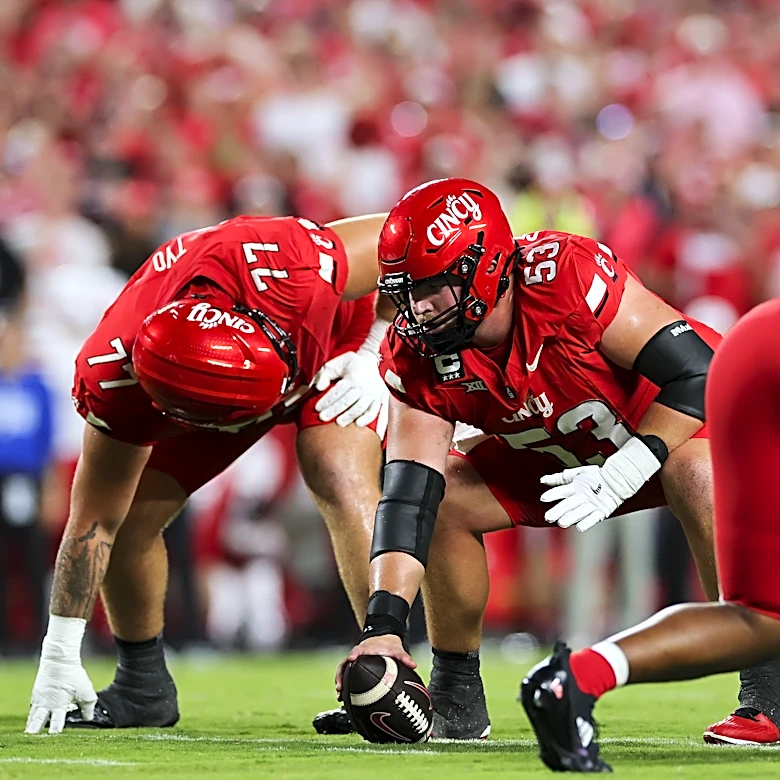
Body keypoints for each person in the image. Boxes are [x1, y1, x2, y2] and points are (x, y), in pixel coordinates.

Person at [335, 177, 724, 740]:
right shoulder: (416, 348)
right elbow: (408, 496)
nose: (418, 310)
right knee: (445, 494)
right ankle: (455, 696)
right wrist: (383, 626)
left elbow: (699, 375)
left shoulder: (565, 274)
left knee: (694, 470)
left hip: (679, 430)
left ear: (486, 265)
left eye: (434, 289)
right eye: (405, 292)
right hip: (571, 453)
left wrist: (628, 468)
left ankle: (770, 691)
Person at [25, 213, 393, 735]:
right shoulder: (116, 376)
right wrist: (59, 653)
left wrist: (375, 350)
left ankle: (389, 665)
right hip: (209, 386)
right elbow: (92, 524)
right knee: (128, 518)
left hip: (334, 347)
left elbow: (405, 237)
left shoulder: (295, 267)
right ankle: (142, 684)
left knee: (337, 470)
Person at [520, 298, 780, 771]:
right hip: (727, 368)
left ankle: (576, 677)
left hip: (748, 348)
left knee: (760, 614)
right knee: (764, 613)